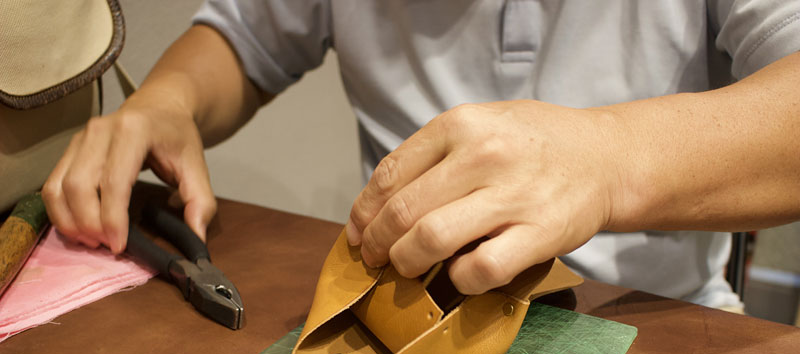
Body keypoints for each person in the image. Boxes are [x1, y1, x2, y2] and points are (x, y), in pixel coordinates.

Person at [42, 1, 800, 309]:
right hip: (403, 312)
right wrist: (169, 98)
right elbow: (245, 36)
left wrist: (607, 160)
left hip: (650, 325)